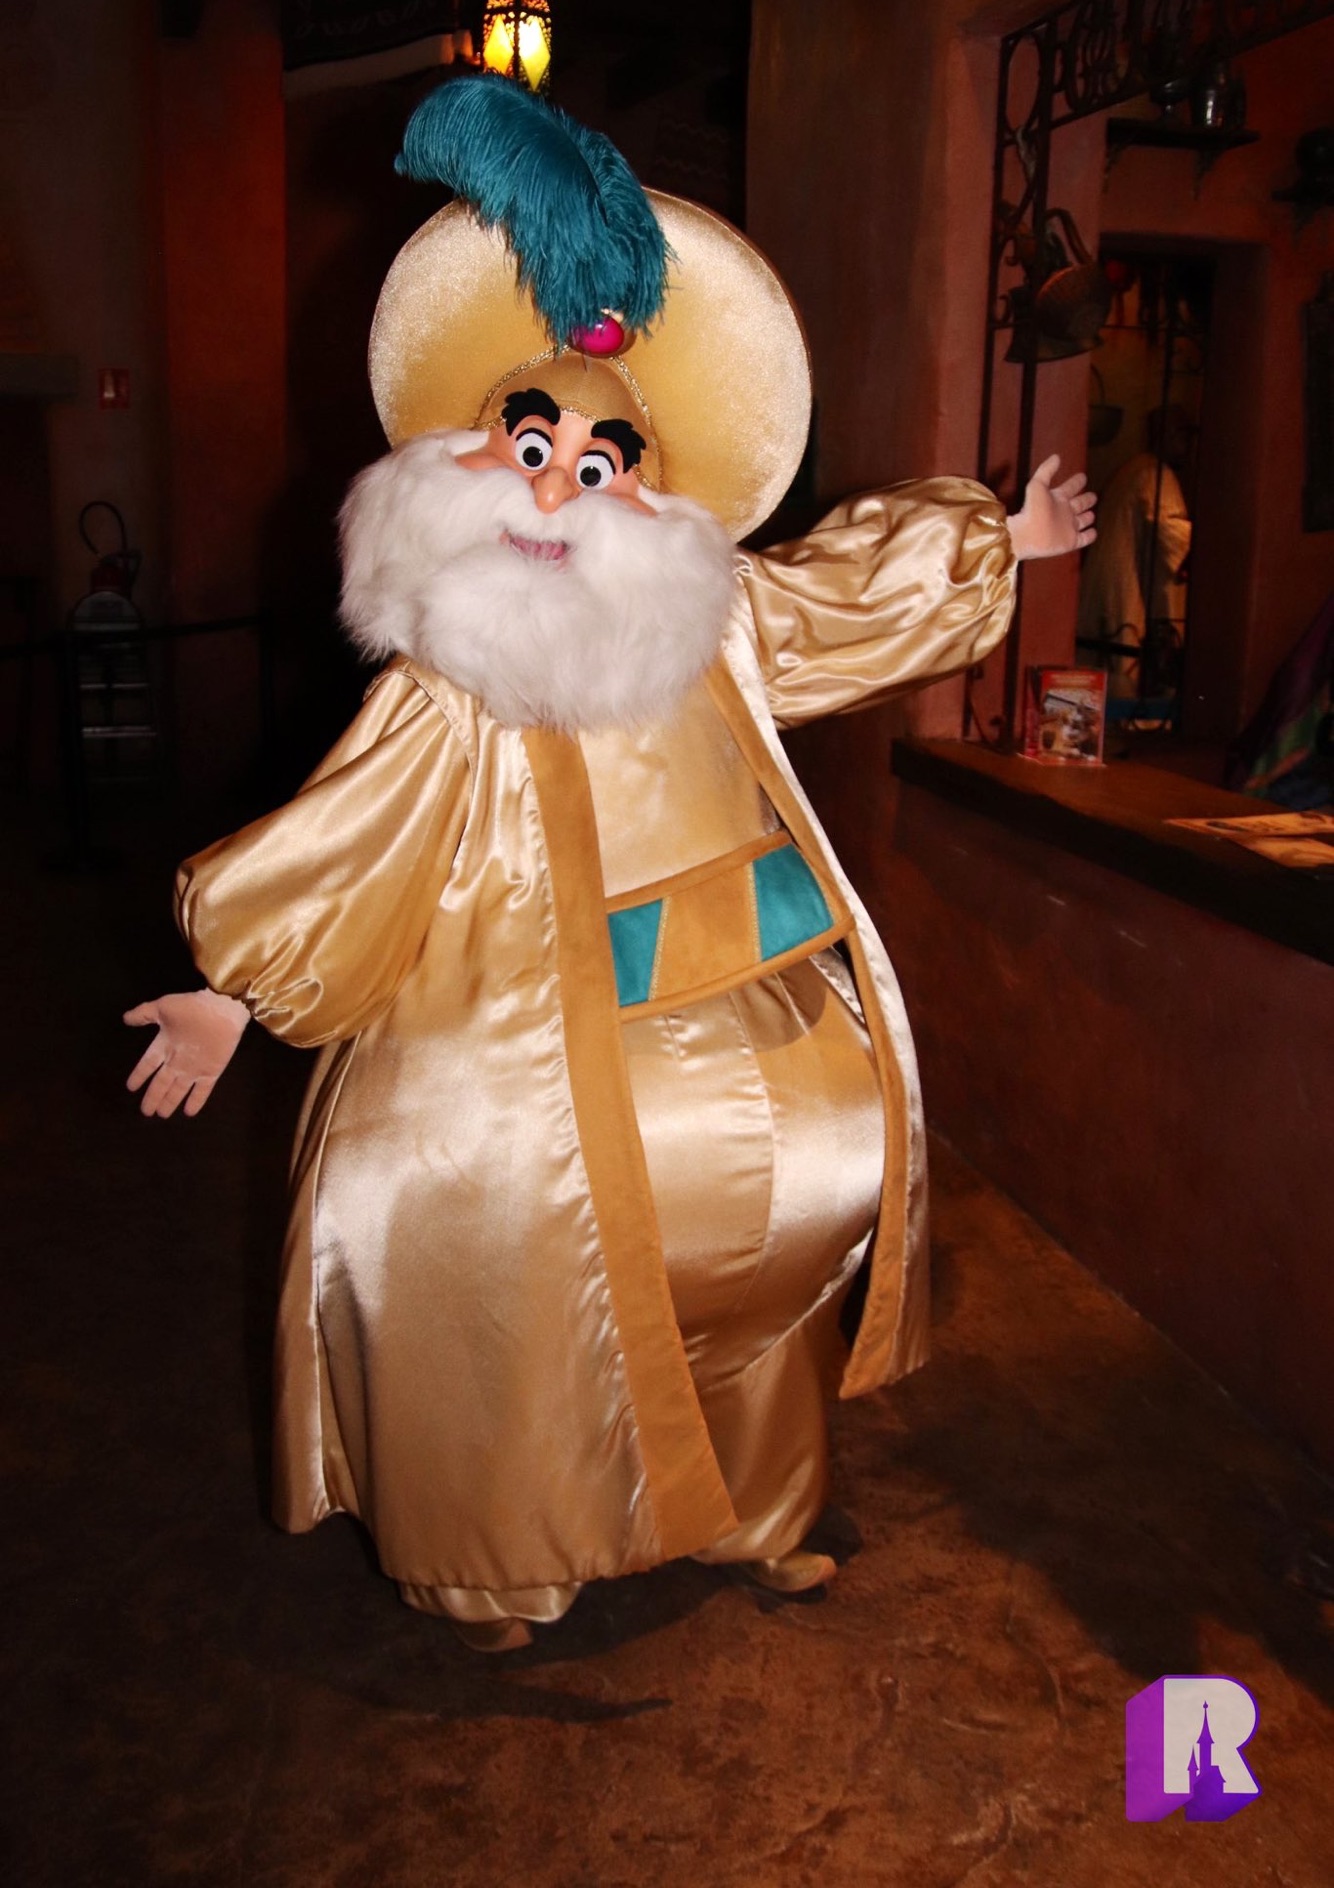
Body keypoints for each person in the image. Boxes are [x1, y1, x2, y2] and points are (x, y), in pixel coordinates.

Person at [125, 79, 1095, 1652]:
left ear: (649, 487)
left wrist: (1002, 541)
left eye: (599, 461)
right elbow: (351, 832)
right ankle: (505, 1557)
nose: (556, 484)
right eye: (530, 444)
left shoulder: (713, 620)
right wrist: (233, 993)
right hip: (527, 1050)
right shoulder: (454, 682)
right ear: (466, 456)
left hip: (755, 1026)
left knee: (773, 1264)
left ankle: (755, 1509)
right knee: (503, 1276)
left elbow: (837, 597)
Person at [1077, 404, 1192, 700]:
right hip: (1123, 586)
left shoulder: (1133, 469)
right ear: (1165, 434)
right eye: (1183, 435)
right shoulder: (1156, 475)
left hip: (1110, 579)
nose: (1188, 446)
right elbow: (1172, 534)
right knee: (1123, 667)